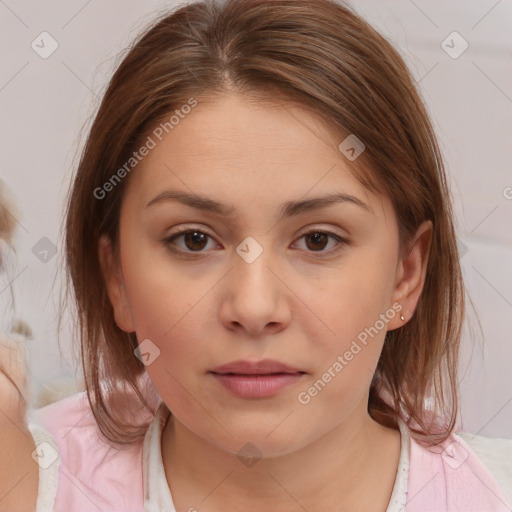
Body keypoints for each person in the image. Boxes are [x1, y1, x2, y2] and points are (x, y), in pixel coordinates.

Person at [1, 0, 511, 510]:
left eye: (318, 240)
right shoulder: (29, 483)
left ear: (406, 274)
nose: (254, 308)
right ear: (116, 277)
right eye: (193, 239)